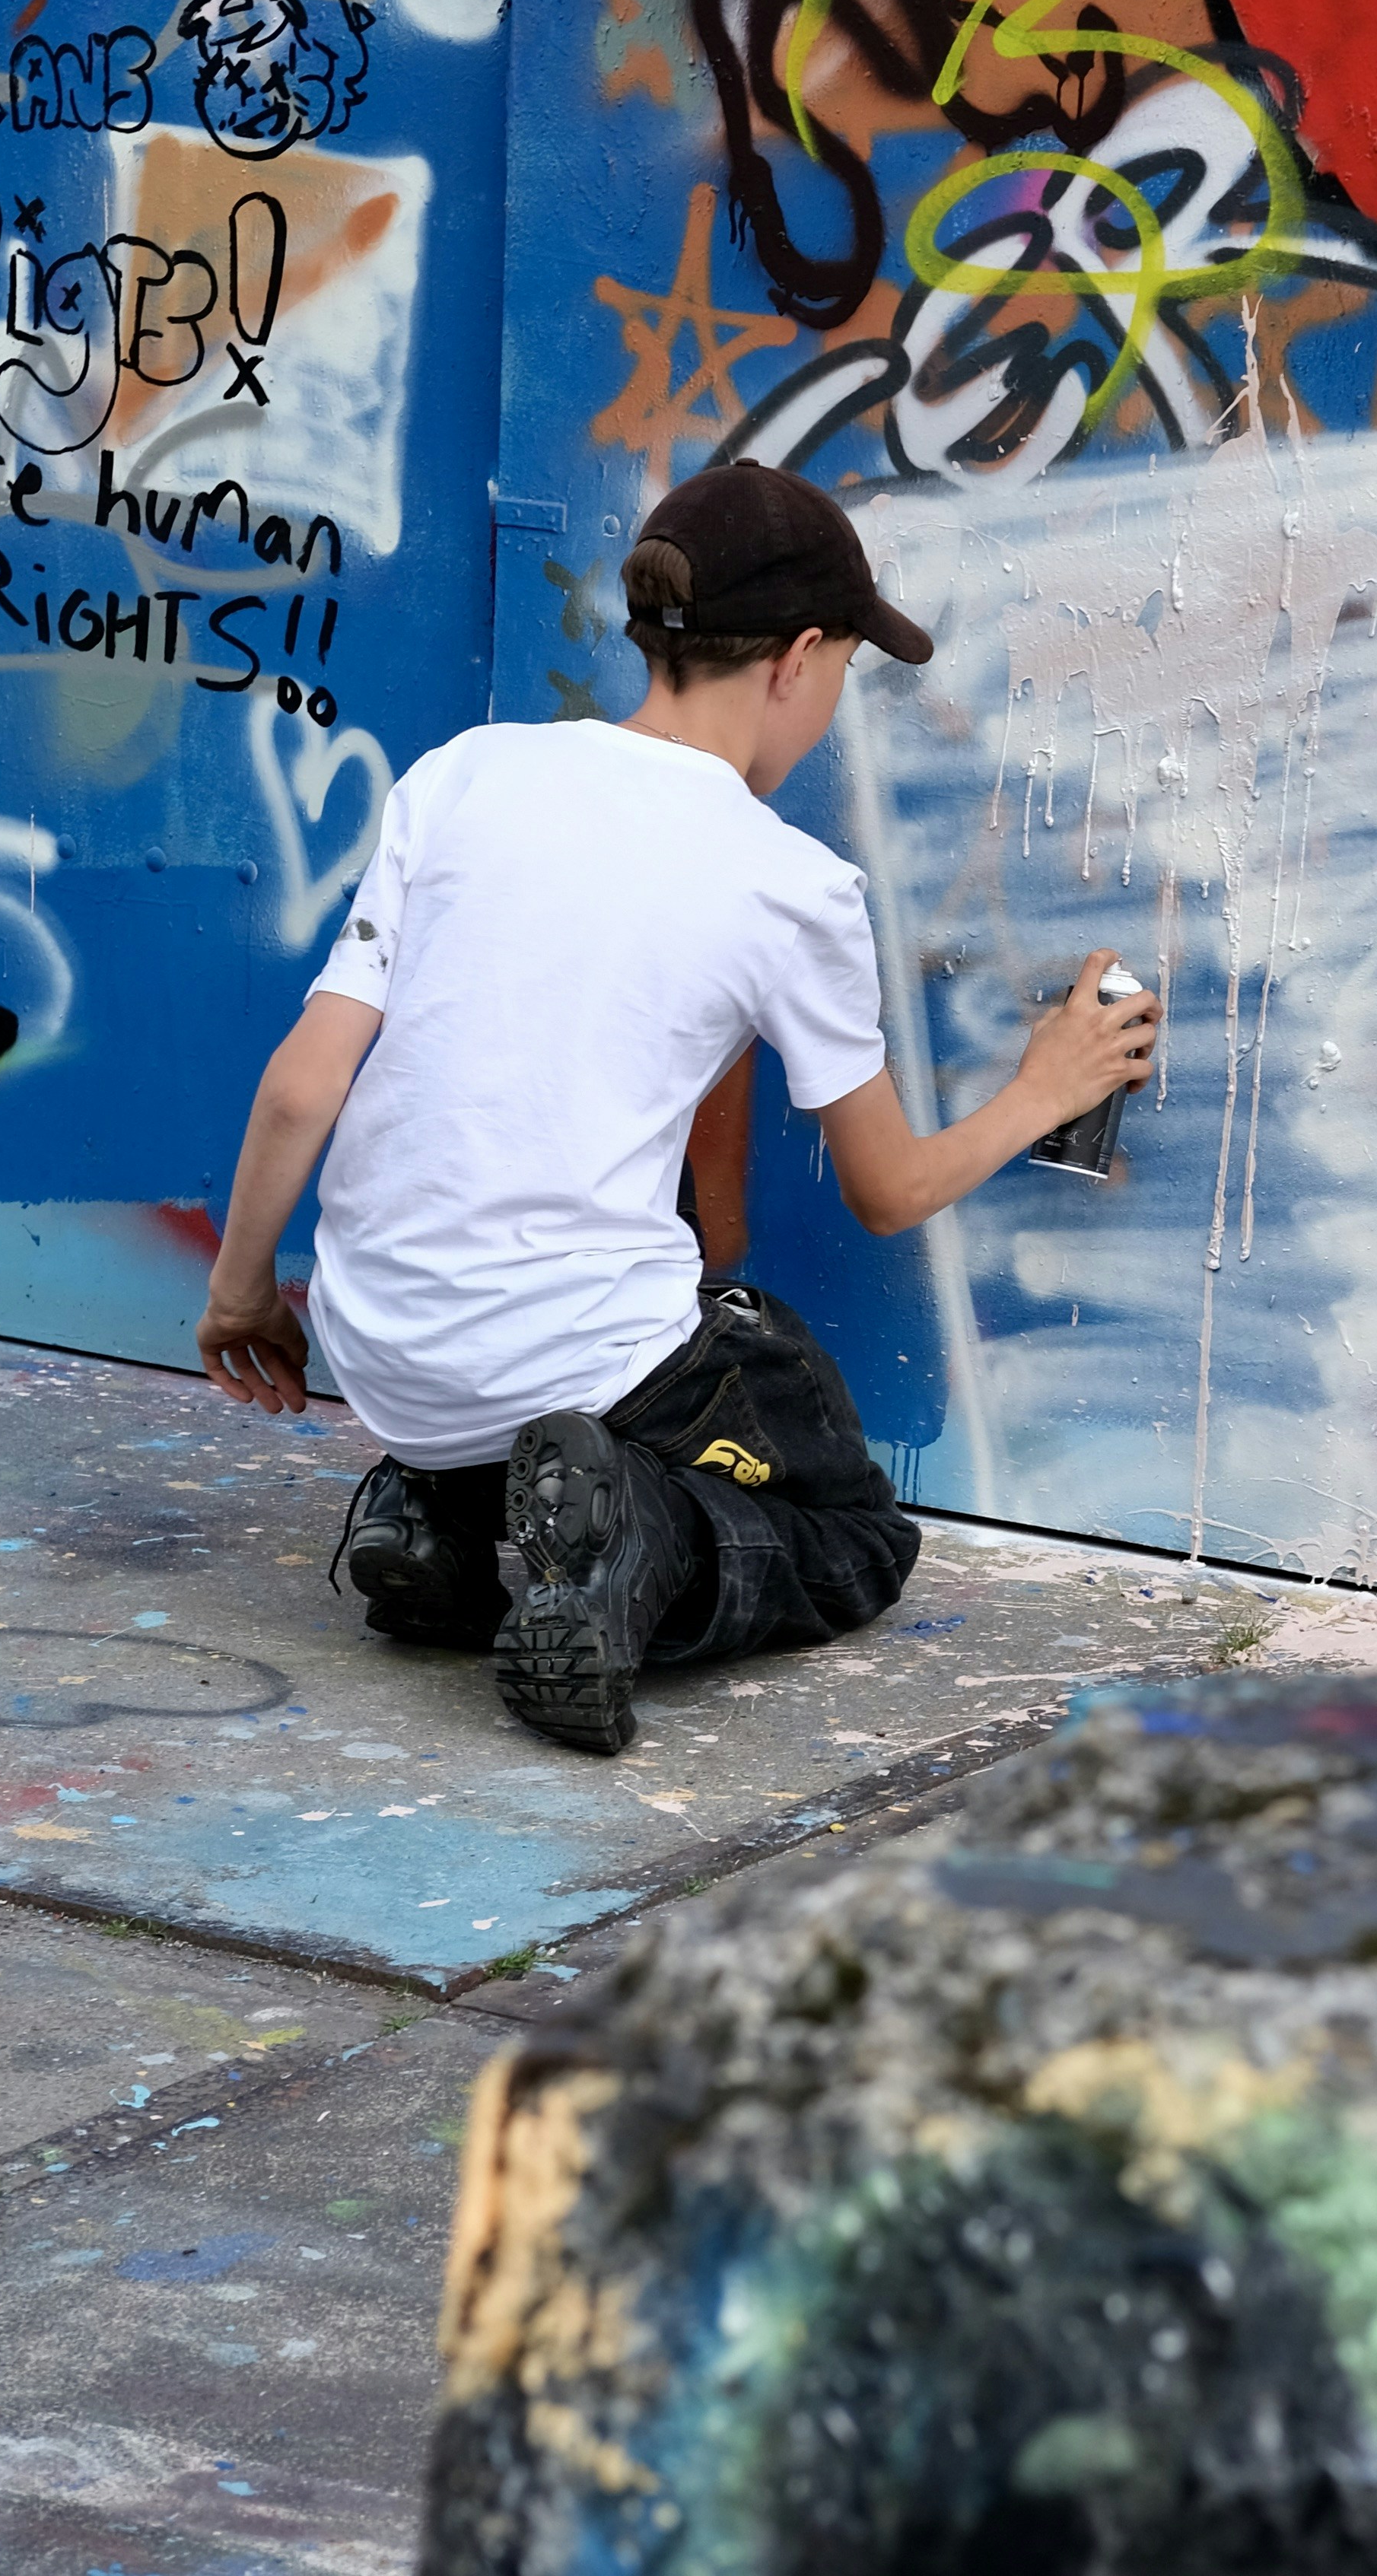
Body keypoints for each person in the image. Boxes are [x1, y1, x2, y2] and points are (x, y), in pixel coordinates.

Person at [189, 463, 1162, 1754]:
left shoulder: (468, 775)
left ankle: (442, 1519)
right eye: (845, 670)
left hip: (385, 1360)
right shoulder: (789, 885)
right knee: (854, 1534)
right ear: (799, 659)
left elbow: (305, 1082)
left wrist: (244, 1294)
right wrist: (1045, 1085)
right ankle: (628, 1554)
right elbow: (888, 1192)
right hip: (571, 1352)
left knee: (578, 1386)